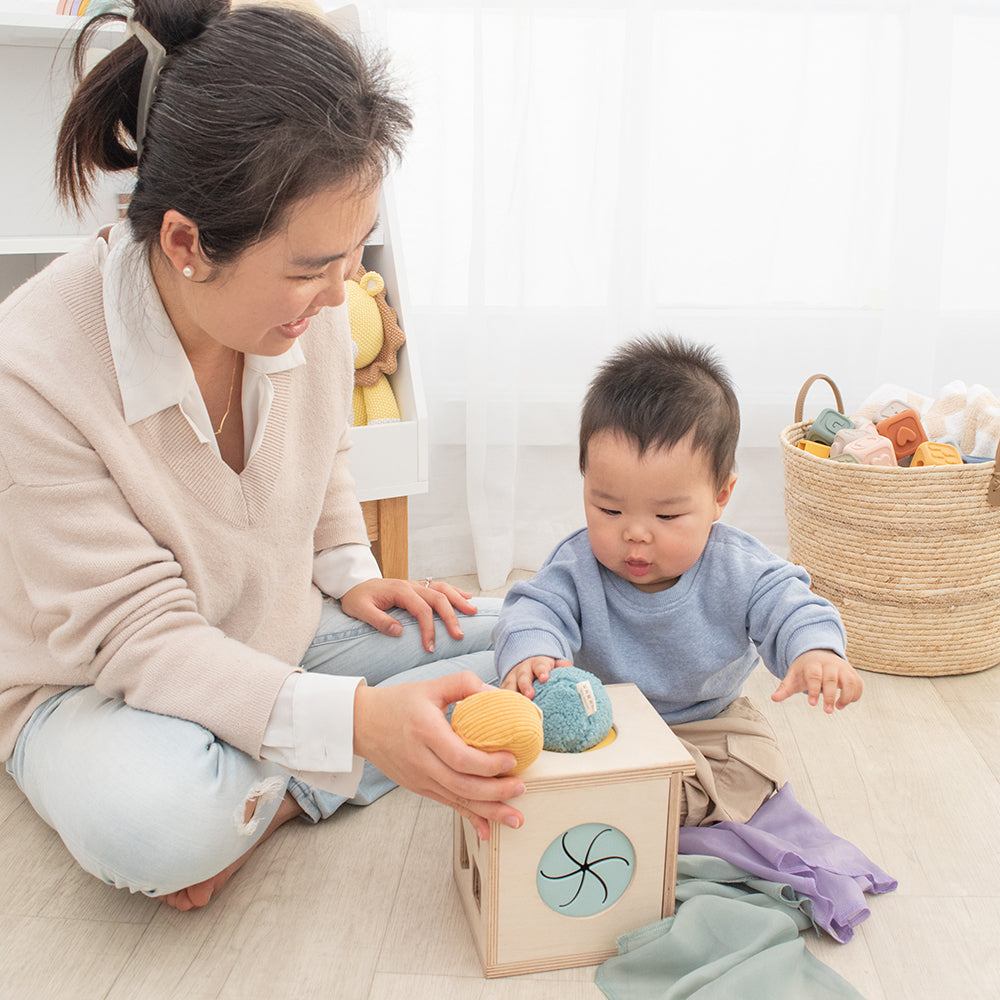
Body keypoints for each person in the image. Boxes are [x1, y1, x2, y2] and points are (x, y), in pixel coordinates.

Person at [0, 0, 525, 913]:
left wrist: (349, 569)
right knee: (155, 824)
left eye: (352, 254)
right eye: (312, 266)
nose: (340, 293)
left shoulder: (305, 309)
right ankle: (306, 759)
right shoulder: (32, 371)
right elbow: (141, 640)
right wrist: (360, 726)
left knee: (541, 631)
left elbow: (324, 455)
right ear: (185, 243)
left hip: (278, 625)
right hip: (95, 684)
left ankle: (273, 789)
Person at [495, 335, 863, 826]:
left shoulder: (738, 567)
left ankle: (648, 806)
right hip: (598, 720)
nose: (635, 533)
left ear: (720, 496)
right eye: (608, 508)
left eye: (668, 515)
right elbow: (531, 609)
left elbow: (793, 604)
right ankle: (617, 797)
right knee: (512, 734)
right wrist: (533, 656)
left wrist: (815, 651)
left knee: (756, 764)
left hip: (705, 723)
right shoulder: (577, 564)